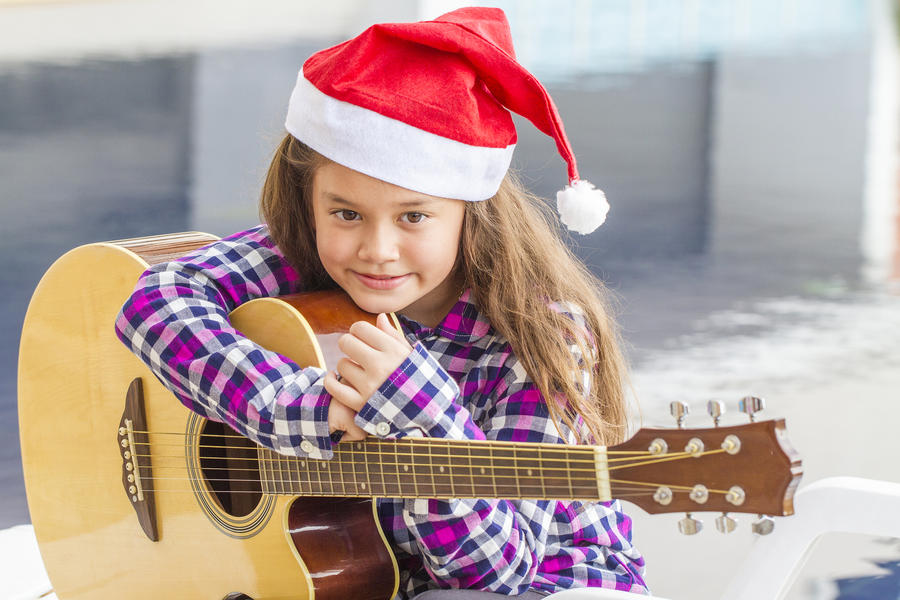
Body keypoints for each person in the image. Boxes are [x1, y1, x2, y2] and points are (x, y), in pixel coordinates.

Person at [114, 6, 647, 599]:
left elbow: (495, 574)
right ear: (307, 200)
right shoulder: (303, 261)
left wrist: (423, 413)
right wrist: (304, 411)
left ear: (472, 212)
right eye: (346, 213)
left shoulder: (539, 336)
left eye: (414, 216)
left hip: (545, 582)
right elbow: (155, 301)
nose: (377, 250)